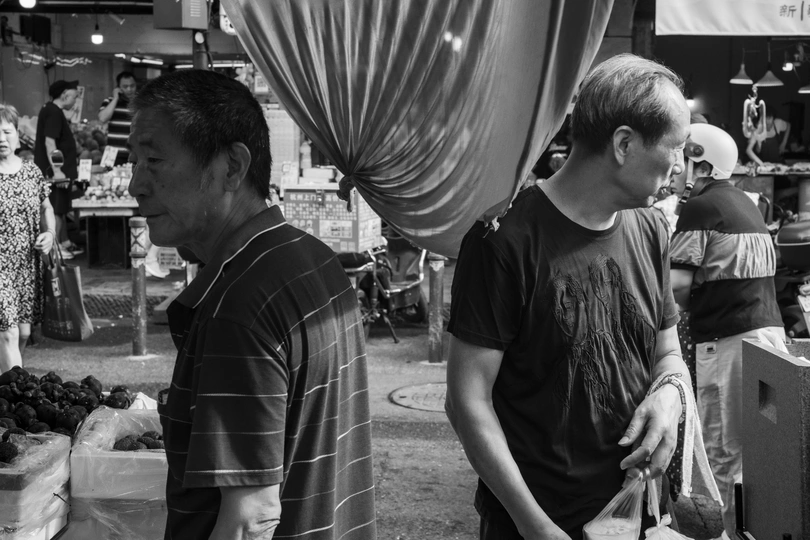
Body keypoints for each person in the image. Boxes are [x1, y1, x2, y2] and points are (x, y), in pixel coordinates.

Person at [445, 53, 693, 540]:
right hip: (537, 522)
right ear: (624, 144)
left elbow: (667, 353)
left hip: (637, 513)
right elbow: (466, 401)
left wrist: (670, 394)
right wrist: (534, 525)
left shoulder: (651, 229)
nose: (681, 166)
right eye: (677, 147)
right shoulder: (503, 240)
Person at [127, 70, 376, 540]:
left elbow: (251, 519)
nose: (135, 185)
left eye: (154, 160)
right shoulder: (311, 258)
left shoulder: (239, 305)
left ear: (232, 167)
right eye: (133, 161)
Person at [670, 123, 786, 540]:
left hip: (728, 341)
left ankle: (726, 534)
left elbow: (677, 286)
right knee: (758, 452)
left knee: (722, 453)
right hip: (769, 338)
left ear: (700, 164)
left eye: (681, 158)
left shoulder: (700, 207)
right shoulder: (745, 202)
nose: (675, 168)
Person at [0, 103, 55, 372]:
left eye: (6, 131)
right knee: (8, 333)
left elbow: (46, 208)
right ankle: (17, 387)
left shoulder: (31, 171)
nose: (1, 138)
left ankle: (7, 385)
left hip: (26, 265)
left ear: (17, 135)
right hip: (0, 266)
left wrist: (50, 233)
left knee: (22, 334)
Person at [98, 71, 168, 278]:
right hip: (114, 158)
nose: (128, 89)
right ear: (118, 87)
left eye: (131, 86)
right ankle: (146, 258)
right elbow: (102, 118)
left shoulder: (141, 103)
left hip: (136, 157)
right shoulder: (110, 101)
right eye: (124, 86)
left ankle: (146, 257)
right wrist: (115, 98)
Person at [33, 79, 81, 259]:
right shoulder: (53, 112)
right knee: (57, 209)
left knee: (60, 207)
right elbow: (50, 142)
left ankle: (63, 243)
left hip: (55, 172)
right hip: (55, 174)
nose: (75, 101)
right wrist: (58, 171)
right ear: (64, 95)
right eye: (74, 97)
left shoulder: (52, 110)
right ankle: (55, 249)